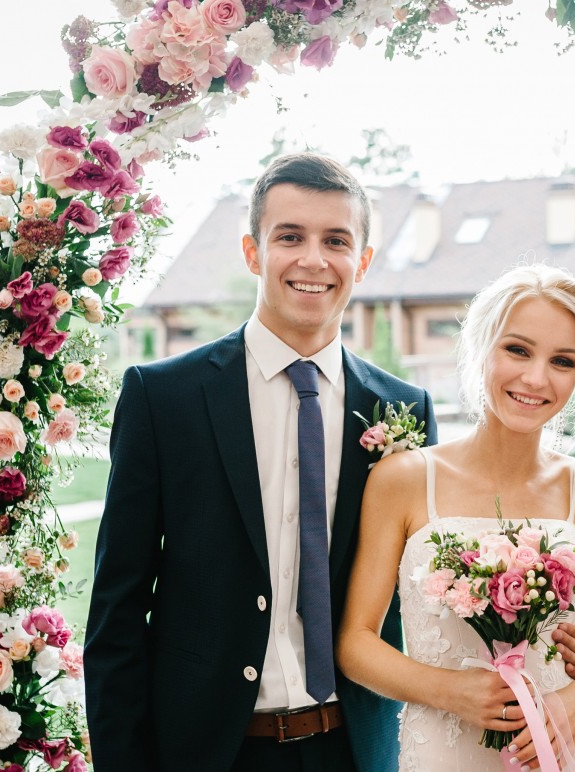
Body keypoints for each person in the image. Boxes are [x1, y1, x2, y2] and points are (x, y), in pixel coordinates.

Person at [83, 154, 438, 771]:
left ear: (363, 260)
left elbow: (422, 602)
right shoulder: (163, 397)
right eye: (290, 237)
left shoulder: (403, 408)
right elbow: (116, 613)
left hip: (356, 748)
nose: (313, 259)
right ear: (253, 251)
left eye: (336, 240)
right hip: (209, 749)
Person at [337, 264, 575, 771]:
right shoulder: (402, 480)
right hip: (442, 748)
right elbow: (355, 643)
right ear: (481, 350)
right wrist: (451, 691)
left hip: (561, 748)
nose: (536, 378)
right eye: (517, 349)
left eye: (562, 361)